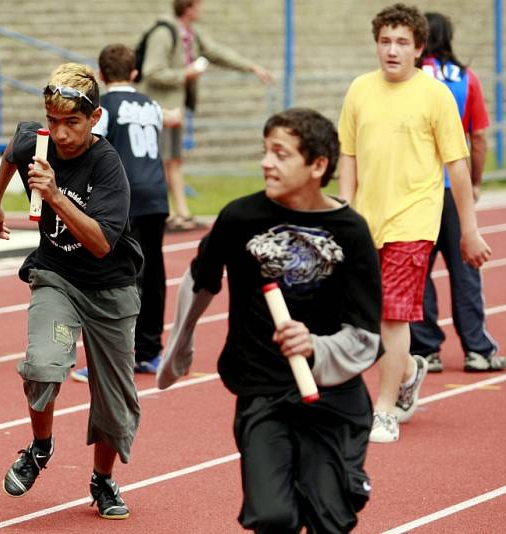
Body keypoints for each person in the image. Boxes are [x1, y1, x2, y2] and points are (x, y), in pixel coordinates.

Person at [158, 108, 383, 533]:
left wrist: (317, 346)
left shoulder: (351, 231)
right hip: (262, 389)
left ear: (317, 166)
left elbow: (366, 336)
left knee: (330, 519)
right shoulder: (240, 218)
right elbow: (200, 281)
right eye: (266, 151)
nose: (266, 162)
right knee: (274, 517)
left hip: (332, 399)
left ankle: (342, 486)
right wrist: (178, 350)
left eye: (281, 154)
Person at [0, 62, 143, 520]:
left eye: (72, 123)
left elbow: (98, 243)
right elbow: (15, 149)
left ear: (94, 120)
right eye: (53, 122)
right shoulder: (41, 140)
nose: (61, 133)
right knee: (42, 365)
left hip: (110, 288)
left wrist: (54, 196)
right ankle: (39, 448)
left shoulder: (109, 166)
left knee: (114, 405)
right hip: (56, 277)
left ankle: (103, 480)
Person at [338, 3, 492, 443]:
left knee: (394, 314)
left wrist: (470, 229)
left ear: (419, 48)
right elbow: (347, 154)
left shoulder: (435, 95)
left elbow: (457, 167)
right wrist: (345, 211)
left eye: (402, 42)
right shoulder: (359, 90)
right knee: (363, 318)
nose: (392, 50)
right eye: (385, 41)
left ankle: (383, 409)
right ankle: (409, 367)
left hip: (415, 220)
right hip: (367, 221)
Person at [71, 44, 182, 382]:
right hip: (156, 196)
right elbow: (172, 119)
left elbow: (89, 145)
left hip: (122, 198)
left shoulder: (103, 109)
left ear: (101, 75)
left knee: (113, 275)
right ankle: (150, 351)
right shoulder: (150, 105)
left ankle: (109, 358)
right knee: (153, 273)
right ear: (135, 74)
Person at [410, 12, 506, 374]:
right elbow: (478, 138)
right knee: (466, 270)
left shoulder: (409, 79)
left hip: (417, 189)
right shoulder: (467, 78)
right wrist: (475, 181)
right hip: (453, 187)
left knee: (417, 271)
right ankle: (478, 350)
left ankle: (425, 350)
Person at [138, 0, 272, 231]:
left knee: (174, 160)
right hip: (159, 108)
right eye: (199, 5)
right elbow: (152, 72)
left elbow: (218, 53)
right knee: (161, 162)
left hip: (177, 108)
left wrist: (251, 67)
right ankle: (165, 213)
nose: (203, 9)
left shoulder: (191, 34)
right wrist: (186, 74)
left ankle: (182, 213)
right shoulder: (164, 33)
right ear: (189, 7)